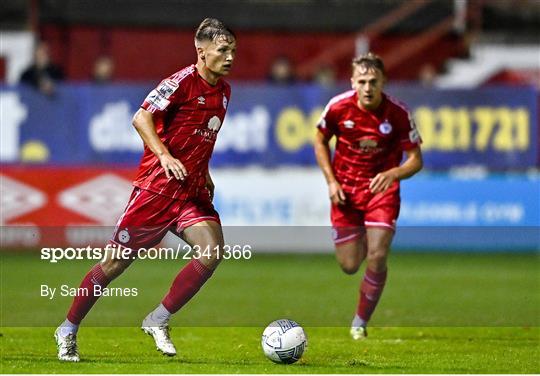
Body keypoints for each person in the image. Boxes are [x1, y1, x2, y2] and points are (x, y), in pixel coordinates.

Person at [54, 18, 236, 361]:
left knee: (211, 252)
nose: (229, 57)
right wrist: (164, 155)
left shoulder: (224, 91)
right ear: (201, 51)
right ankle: (68, 328)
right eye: (222, 50)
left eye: (233, 51)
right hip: (156, 190)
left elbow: (199, 138)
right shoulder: (180, 82)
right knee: (113, 266)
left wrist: (204, 172)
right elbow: (141, 118)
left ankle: (158, 319)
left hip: (192, 192)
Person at [314, 52, 423, 340]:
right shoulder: (338, 107)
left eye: (373, 81)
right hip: (345, 194)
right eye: (361, 81)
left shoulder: (398, 113)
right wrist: (331, 181)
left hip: (381, 192)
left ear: (383, 81)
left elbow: (415, 159)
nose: (367, 87)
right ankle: (362, 236)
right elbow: (319, 140)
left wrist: (393, 174)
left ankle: (360, 322)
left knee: (377, 255)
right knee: (349, 266)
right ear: (352, 82)